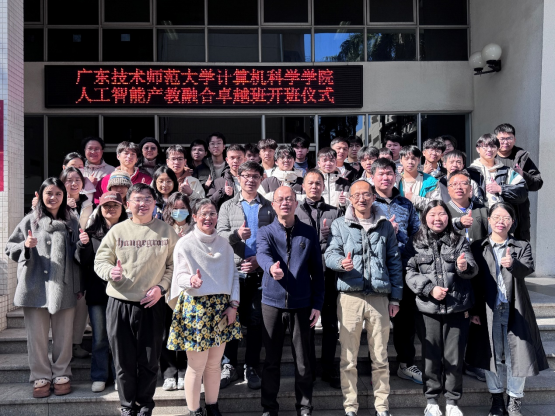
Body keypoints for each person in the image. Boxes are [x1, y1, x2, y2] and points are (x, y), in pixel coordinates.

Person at [94, 183, 179, 416]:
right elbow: (100, 261)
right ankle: (127, 406)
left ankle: (145, 405)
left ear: (155, 203)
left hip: (152, 303)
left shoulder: (166, 231)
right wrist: (110, 272)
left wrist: (161, 288)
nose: (142, 204)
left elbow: (174, 266)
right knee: (123, 361)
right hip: (120, 302)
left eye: (147, 199)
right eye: (137, 200)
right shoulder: (118, 231)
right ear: (128, 204)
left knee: (150, 361)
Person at [325, 179, 403, 416]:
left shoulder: (384, 225)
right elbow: (330, 254)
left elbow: (394, 261)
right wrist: (341, 263)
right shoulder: (340, 224)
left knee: (380, 356)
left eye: (366, 194)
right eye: (356, 195)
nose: (362, 198)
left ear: (373, 197)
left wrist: (395, 298)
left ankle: (382, 407)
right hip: (350, 297)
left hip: (379, 297)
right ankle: (350, 407)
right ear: (350, 199)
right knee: (348, 357)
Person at [467, 202, 548, 416]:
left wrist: (512, 264)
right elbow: (473, 282)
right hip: (488, 310)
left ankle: (514, 401)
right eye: (496, 217)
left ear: (512, 222)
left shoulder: (521, 246)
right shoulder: (478, 247)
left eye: (505, 218)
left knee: (516, 356)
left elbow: (526, 269)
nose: (500, 222)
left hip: (515, 308)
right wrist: (474, 311)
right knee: (491, 355)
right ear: (489, 220)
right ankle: (496, 400)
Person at [6, 177, 83, 398]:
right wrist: (25, 245)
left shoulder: (72, 221)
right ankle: (40, 375)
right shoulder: (30, 220)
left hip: (64, 285)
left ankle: (61, 373)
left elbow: (79, 254)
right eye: (49, 193)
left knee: (64, 335)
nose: (53, 198)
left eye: (58, 194)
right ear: (40, 195)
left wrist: (78, 283)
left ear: (64, 196)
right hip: (34, 285)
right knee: (37, 336)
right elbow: (10, 247)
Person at [167, 199, 242, 416]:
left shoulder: (224, 244)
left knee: (214, 364)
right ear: (195, 216)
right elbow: (179, 276)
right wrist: (191, 280)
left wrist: (234, 305)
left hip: (221, 308)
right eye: (203, 214)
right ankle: (194, 410)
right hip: (196, 308)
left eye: (212, 213)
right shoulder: (185, 243)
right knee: (196, 365)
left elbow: (233, 276)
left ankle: (212, 406)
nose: (208, 218)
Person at [256, 186, 325, 416]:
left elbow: (317, 271)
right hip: (271, 304)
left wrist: (317, 304)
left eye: (289, 199)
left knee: (303, 362)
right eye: (280, 200)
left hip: (301, 304)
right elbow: (262, 254)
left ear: (296, 203)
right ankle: (269, 408)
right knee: (271, 361)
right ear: (273, 205)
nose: (285, 203)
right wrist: (270, 268)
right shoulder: (265, 232)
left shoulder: (308, 232)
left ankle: (304, 407)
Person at [405, 200, 477, 416]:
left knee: (454, 357)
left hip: (457, 308)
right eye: (432, 214)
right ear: (425, 218)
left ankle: (453, 402)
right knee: (431, 356)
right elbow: (409, 271)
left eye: (442, 214)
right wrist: (429, 289)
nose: (437, 219)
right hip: (427, 309)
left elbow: (472, 268)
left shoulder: (459, 240)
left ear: (448, 217)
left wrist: (464, 266)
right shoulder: (415, 242)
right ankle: (432, 400)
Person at [217, 161, 275, 390]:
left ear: (261, 179)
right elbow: (219, 235)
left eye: (255, 176)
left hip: (260, 273)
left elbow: (276, 238)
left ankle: (251, 366)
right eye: (246, 176)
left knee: (255, 321)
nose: (250, 180)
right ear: (239, 177)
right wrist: (236, 235)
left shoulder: (269, 207)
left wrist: (260, 260)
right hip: (233, 273)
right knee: (230, 320)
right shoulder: (227, 206)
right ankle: (228, 365)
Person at [371, 158, 423, 385]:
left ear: (396, 176)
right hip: (375, 269)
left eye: (389, 173)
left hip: (402, 267)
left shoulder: (405, 204)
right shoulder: (366, 201)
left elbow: (417, 234)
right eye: (381, 174)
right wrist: (384, 230)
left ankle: (406, 364)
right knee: (376, 321)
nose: (385, 178)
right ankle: (377, 368)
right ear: (372, 176)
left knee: (405, 320)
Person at [75, 191, 127, 392]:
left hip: (124, 293)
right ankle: (99, 375)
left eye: (115, 205)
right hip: (98, 292)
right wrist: (83, 245)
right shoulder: (90, 232)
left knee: (120, 337)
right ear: (100, 209)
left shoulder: (130, 230)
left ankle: (120, 376)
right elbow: (83, 261)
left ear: (122, 208)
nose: (111, 209)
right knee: (99, 338)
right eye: (106, 206)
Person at [295, 168, 342, 389]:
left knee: (331, 324)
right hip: (304, 276)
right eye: (310, 183)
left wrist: (330, 236)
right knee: (308, 325)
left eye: (318, 183)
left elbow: (343, 241)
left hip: (329, 275)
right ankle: (310, 368)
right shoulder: (295, 211)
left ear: (324, 186)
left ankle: (328, 367)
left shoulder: (335, 212)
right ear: (303, 186)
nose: (314, 186)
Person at [60, 167, 94, 359]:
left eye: (77, 180)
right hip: (63, 258)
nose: (73, 184)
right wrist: (65, 207)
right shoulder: (55, 202)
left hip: (82, 257)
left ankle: (76, 343)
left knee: (81, 304)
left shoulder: (88, 204)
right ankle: (62, 346)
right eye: (69, 180)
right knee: (64, 303)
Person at [466, 134, 528, 240]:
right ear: (478, 149)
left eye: (493, 146)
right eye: (485, 146)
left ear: (497, 149)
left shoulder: (507, 171)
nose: (489, 150)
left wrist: (501, 189)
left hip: (501, 223)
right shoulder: (469, 173)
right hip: (477, 222)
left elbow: (523, 193)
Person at [160, 192, 192, 391]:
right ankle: (169, 372)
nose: (179, 212)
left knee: (187, 331)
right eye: (175, 208)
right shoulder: (163, 229)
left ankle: (184, 370)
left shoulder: (195, 229)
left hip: (189, 289)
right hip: (167, 288)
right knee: (167, 331)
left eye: (183, 208)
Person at [494, 123, 543, 242]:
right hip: (495, 211)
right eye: (502, 139)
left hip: (519, 213)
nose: (505, 142)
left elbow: (538, 182)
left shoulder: (521, 158)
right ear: (495, 139)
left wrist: (523, 174)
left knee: (519, 248)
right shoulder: (489, 157)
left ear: (514, 139)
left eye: (509, 138)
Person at [446, 170, 489, 245]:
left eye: (463, 183)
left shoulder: (483, 210)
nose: (459, 187)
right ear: (448, 189)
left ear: (470, 188)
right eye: (454, 184)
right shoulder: (443, 211)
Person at [397, 145, 440, 212]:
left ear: (419, 160)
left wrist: (414, 199)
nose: (410, 162)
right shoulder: (394, 181)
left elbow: (437, 205)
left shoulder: (431, 181)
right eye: (406, 158)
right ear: (401, 161)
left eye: (413, 158)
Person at [207, 144, 246, 210]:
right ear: (227, 160)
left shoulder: (252, 180)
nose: (235, 161)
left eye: (239, 158)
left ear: (245, 160)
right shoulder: (217, 182)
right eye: (232, 158)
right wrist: (222, 192)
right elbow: (208, 203)